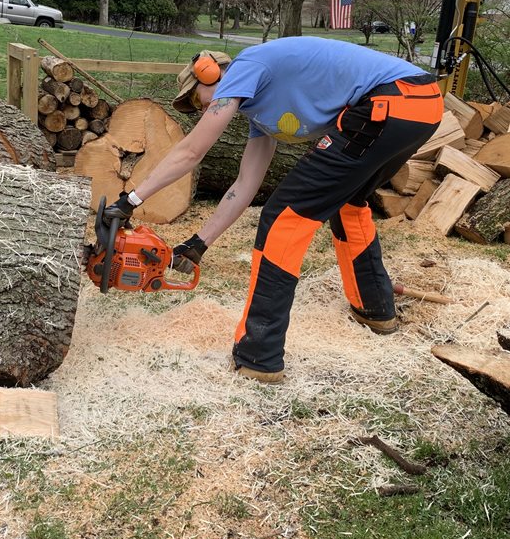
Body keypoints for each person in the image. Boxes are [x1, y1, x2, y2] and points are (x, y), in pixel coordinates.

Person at [102, 37, 443, 383]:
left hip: (389, 101)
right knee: (350, 205)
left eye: (197, 100)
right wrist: (199, 243)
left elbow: (192, 152)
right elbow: (244, 186)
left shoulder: (245, 67)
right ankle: (375, 310)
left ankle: (258, 355)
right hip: (421, 105)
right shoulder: (260, 115)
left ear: (211, 75)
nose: (202, 110)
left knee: (284, 217)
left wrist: (130, 200)